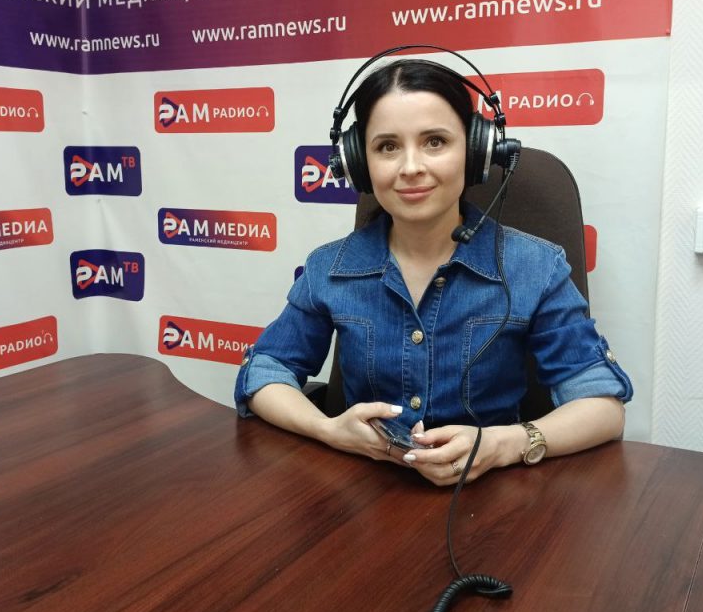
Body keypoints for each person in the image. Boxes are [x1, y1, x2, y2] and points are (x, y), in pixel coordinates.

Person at [234, 58, 632, 486]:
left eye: (435, 142)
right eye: (387, 147)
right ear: (359, 162)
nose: (410, 167)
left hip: (494, 497)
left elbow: (603, 407)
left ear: (475, 151)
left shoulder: (536, 267)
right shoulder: (329, 268)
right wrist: (328, 430)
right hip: (364, 496)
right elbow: (264, 372)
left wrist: (504, 443)